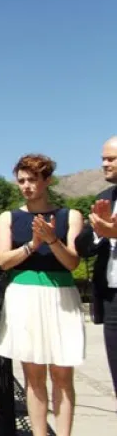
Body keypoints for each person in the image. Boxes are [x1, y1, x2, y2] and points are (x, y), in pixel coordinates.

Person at [0, 154, 84, 436]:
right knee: (33, 377)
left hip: (60, 296)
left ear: (47, 180)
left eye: (33, 180)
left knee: (62, 374)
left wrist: (52, 240)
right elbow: (3, 261)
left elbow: (73, 261)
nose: (27, 186)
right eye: (21, 180)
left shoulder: (70, 215)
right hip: (24, 295)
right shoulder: (9, 218)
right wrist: (33, 244)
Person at [76, 136, 117, 399]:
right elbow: (83, 247)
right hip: (112, 299)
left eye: (111, 159)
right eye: (103, 158)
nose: (104, 164)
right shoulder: (104, 198)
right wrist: (99, 232)